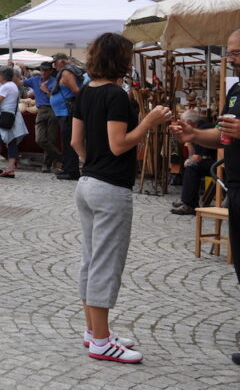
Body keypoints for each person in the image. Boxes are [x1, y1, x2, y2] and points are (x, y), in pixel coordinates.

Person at [73, 32, 172, 364]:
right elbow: (119, 144)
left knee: (91, 259)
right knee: (105, 264)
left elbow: (76, 142)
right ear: (120, 59)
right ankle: (101, 340)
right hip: (111, 187)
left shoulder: (86, 91)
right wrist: (149, 120)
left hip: (87, 183)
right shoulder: (116, 95)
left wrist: (92, 164)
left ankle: (94, 331)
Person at [170, 28, 240, 367]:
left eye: (237, 52)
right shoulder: (236, 90)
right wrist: (196, 133)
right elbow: (223, 136)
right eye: (230, 52)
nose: (232, 58)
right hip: (236, 188)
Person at [170, 110, 216, 215]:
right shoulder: (199, 128)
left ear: (189, 123)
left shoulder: (204, 129)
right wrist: (189, 142)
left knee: (192, 166)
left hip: (220, 164)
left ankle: (188, 204)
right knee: (192, 165)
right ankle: (187, 200)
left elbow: (196, 157)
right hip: (215, 162)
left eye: (182, 121)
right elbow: (193, 154)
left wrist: (189, 161)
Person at [52, 52, 85, 180]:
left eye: (55, 63)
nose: (54, 66)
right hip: (63, 112)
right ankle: (67, 168)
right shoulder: (65, 71)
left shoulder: (66, 72)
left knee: (69, 143)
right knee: (65, 142)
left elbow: (76, 90)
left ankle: (72, 171)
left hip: (67, 112)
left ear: (62, 62)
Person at [23, 61, 60, 173]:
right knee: (40, 139)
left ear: (50, 71)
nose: (43, 73)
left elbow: (56, 99)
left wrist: (46, 91)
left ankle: (46, 165)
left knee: (51, 139)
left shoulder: (55, 82)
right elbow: (21, 82)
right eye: (42, 70)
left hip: (53, 110)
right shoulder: (35, 80)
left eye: (45, 71)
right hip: (41, 110)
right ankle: (62, 158)